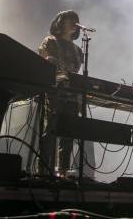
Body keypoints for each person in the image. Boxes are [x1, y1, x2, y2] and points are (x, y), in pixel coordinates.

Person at [38, 10, 94, 177]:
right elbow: (44, 61)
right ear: (60, 22)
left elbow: (78, 74)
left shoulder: (78, 50)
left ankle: (62, 171)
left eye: (76, 20)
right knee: (51, 131)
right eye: (70, 19)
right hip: (55, 92)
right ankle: (44, 170)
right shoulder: (50, 41)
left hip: (72, 96)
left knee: (68, 134)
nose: (74, 22)